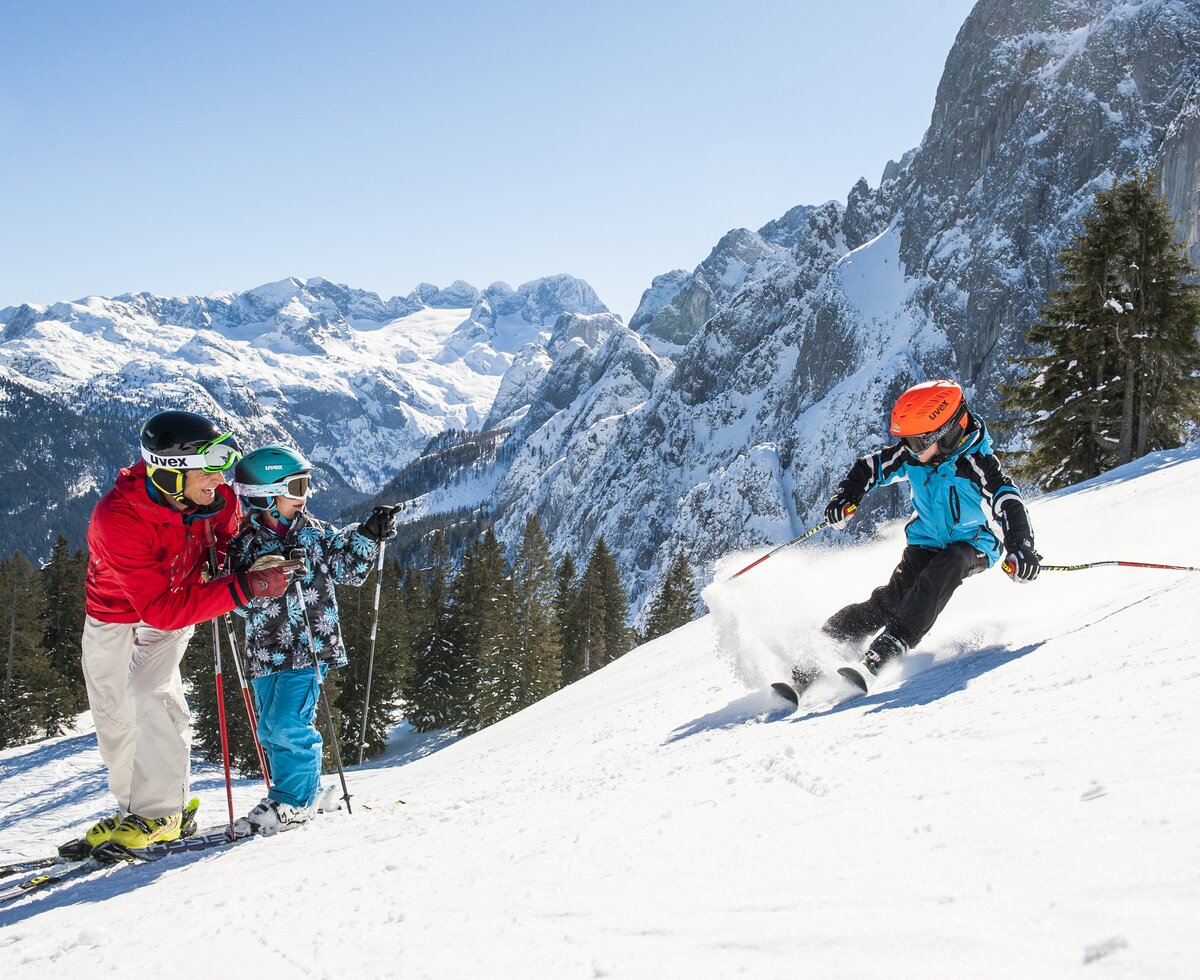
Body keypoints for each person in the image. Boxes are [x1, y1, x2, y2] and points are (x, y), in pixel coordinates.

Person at [80, 410, 295, 852]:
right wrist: (243, 588)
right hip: (118, 613)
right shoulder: (117, 518)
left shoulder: (218, 499)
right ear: (172, 469)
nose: (221, 477)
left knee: (148, 693)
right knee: (112, 717)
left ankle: (161, 813)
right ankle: (133, 811)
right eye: (211, 466)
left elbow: (231, 539)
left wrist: (246, 565)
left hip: (176, 607)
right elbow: (158, 607)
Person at [813, 379, 1040, 689]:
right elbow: (869, 468)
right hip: (926, 541)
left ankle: (892, 645)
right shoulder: (913, 456)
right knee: (891, 599)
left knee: (946, 566)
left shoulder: (975, 463)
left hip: (974, 544)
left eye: (918, 442)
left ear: (947, 435)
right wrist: (845, 498)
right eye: (906, 442)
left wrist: (1021, 547)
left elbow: (1007, 500)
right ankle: (822, 647)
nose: (910, 450)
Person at [227, 445, 399, 834]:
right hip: (264, 652)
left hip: (308, 647)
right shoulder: (245, 546)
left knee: (289, 723)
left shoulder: (314, 533)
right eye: (297, 486)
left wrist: (370, 534)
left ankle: (295, 800)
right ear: (266, 496)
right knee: (270, 727)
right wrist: (253, 582)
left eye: (306, 484)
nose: (306, 495)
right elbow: (235, 603)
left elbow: (347, 566)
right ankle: (303, 790)